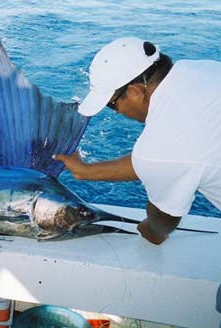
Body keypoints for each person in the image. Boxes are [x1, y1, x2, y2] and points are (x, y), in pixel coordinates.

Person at [54, 37, 221, 245]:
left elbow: (162, 224)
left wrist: (148, 231)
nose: (116, 113)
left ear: (135, 92)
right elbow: (165, 158)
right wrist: (85, 171)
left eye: (112, 104)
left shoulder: (163, 149)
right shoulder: (200, 69)